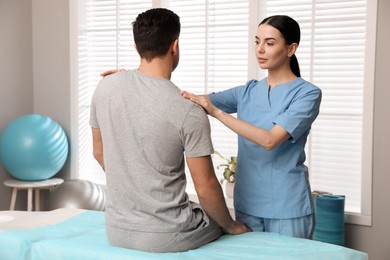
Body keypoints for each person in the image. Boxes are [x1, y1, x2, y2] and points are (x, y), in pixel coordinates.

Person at [89, 8, 249, 253]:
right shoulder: (188, 109)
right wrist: (230, 226)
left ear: (136, 46)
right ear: (175, 46)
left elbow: (99, 153)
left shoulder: (105, 87)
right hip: (165, 235)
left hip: (116, 230)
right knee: (216, 219)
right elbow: (205, 186)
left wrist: (135, 186)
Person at [181, 15, 322, 239]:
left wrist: (217, 112)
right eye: (257, 41)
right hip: (247, 203)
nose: (260, 49)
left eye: (270, 43)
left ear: (291, 49)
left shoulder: (307, 94)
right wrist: (138, 80)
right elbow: (189, 100)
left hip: (287, 205)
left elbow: (270, 140)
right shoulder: (246, 91)